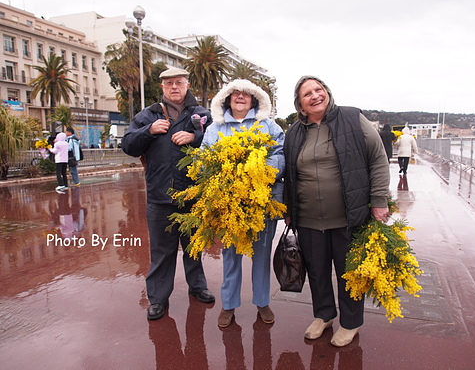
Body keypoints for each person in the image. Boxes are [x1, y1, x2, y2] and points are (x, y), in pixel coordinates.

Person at [283, 76, 390, 347]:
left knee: (348, 271)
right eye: (307, 93)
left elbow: (378, 157)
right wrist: (288, 209)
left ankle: (350, 323)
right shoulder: (295, 132)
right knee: (317, 271)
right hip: (307, 217)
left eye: (318, 89)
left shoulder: (353, 118)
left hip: (347, 215)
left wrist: (379, 199)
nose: (315, 96)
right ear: (300, 103)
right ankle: (324, 315)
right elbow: (290, 174)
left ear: (327, 92)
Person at [121, 67, 215, 321]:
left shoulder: (202, 115)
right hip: (159, 197)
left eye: (179, 82)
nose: (174, 87)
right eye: (169, 83)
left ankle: (198, 287)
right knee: (162, 252)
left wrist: (195, 136)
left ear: (187, 85)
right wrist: (148, 131)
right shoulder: (147, 115)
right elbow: (128, 145)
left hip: (193, 196)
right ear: (162, 87)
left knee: (194, 247)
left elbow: (218, 142)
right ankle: (158, 299)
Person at [203, 79, 285, 328]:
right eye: (235, 94)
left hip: (263, 204)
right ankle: (228, 305)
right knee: (231, 256)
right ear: (227, 99)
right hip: (229, 206)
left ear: (253, 99)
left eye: (245, 94)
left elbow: (282, 154)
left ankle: (262, 301)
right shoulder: (214, 128)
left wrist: (260, 168)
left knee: (261, 257)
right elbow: (204, 159)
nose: (240, 97)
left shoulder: (268, 125)